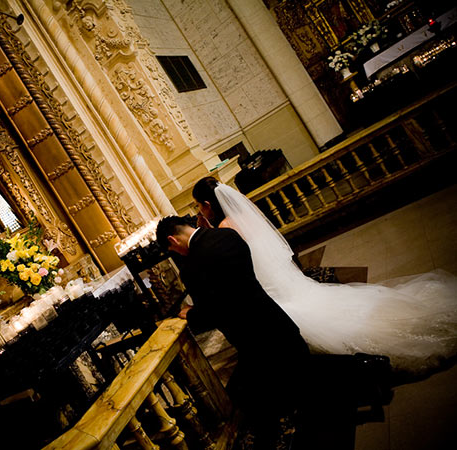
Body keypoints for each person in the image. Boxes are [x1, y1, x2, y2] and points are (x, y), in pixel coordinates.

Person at [192, 176, 457, 375]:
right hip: (288, 281)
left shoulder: (225, 228)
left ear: (207, 204)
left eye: (198, 206)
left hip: (273, 291)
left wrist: (209, 232)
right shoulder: (243, 217)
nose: (198, 211)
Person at [156, 215, 310, 449]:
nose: (176, 254)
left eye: (171, 250)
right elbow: (236, 286)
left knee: (244, 394)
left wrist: (192, 313)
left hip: (251, 338)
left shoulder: (192, 268)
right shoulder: (227, 235)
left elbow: (214, 312)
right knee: (297, 371)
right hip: (274, 320)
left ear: (173, 240)